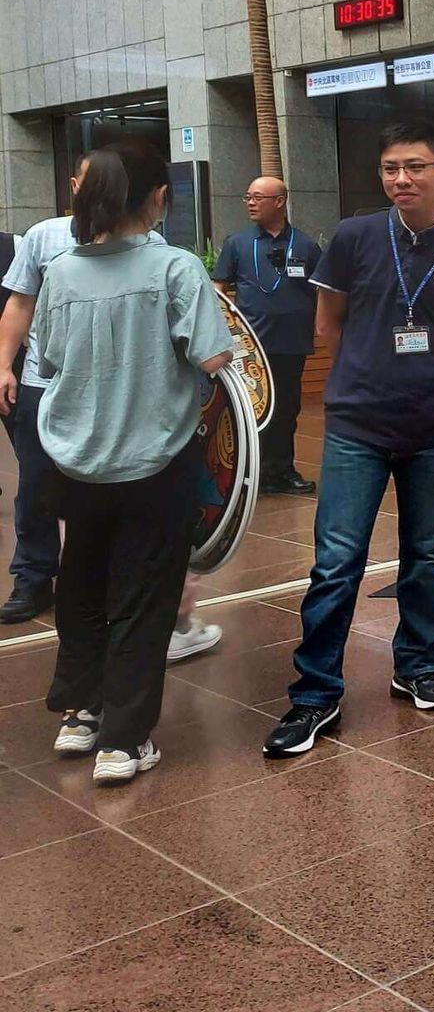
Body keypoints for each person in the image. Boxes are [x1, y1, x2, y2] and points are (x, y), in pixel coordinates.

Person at [262, 122, 434, 759]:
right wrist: (373, 370)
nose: (402, 179)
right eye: (391, 168)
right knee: (336, 562)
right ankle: (316, 693)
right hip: (358, 425)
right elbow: (329, 323)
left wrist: (421, 378)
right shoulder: (355, 236)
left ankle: (417, 665)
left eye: (416, 167)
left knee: (425, 557)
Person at [32, 140, 233, 783]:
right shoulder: (175, 268)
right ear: (159, 197)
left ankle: (81, 714)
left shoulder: (61, 271)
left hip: (74, 459)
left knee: (82, 585)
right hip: (154, 457)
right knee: (143, 599)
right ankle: (123, 741)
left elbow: (50, 358)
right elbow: (213, 357)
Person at [0, 153, 149, 624]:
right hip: (44, 384)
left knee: (111, 486)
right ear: (74, 185)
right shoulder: (44, 236)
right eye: (92, 180)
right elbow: (19, 305)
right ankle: (33, 578)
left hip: (116, 389)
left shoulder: (149, 242)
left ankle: (107, 579)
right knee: (36, 486)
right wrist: (4, 365)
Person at [214, 175, 321, 495]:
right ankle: (251, 474)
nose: (250, 203)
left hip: (291, 342)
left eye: (257, 197)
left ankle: (282, 471)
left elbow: (322, 291)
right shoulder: (237, 243)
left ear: (280, 201)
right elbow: (218, 289)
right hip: (250, 348)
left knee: (287, 410)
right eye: (247, 197)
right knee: (252, 411)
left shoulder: (305, 245)